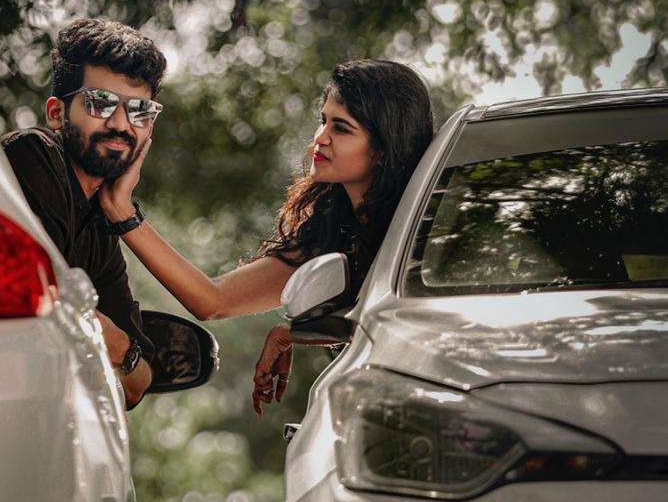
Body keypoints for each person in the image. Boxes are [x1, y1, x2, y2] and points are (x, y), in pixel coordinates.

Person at [98, 58, 434, 414]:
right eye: (323, 121)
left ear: (382, 148)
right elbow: (213, 300)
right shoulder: (332, 230)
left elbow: (405, 331)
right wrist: (122, 211)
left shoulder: (422, 235)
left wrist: (294, 333)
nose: (320, 138)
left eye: (341, 128)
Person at [3, 18, 166, 409]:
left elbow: (138, 384)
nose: (121, 124)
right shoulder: (34, 155)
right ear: (57, 113)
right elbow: (46, 309)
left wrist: (120, 207)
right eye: (99, 103)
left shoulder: (101, 221)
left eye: (140, 111)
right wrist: (114, 344)